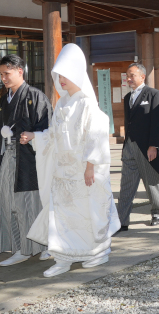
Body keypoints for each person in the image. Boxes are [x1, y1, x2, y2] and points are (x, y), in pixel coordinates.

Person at [21, 44, 121, 277]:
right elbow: (55, 136)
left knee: (88, 214)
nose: (61, 80)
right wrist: (37, 136)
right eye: (58, 76)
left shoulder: (87, 103)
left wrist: (90, 166)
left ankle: (97, 252)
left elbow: (95, 135)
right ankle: (64, 257)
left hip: (83, 171)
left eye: (65, 74)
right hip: (63, 172)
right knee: (63, 217)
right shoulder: (62, 103)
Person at [0, 54, 51, 267]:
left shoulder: (35, 96)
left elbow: (49, 130)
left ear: (20, 71)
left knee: (30, 204)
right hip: (7, 157)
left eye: (7, 73)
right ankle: (20, 247)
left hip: (29, 160)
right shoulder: (5, 99)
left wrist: (33, 136)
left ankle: (38, 246)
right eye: (1, 74)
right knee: (9, 203)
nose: (3, 78)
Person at [114, 63, 159, 234]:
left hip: (147, 147)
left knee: (151, 182)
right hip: (130, 146)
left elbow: (156, 123)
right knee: (126, 185)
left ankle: (157, 212)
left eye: (132, 75)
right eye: (127, 76)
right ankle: (121, 220)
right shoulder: (127, 98)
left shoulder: (154, 95)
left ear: (142, 76)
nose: (129, 79)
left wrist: (153, 146)